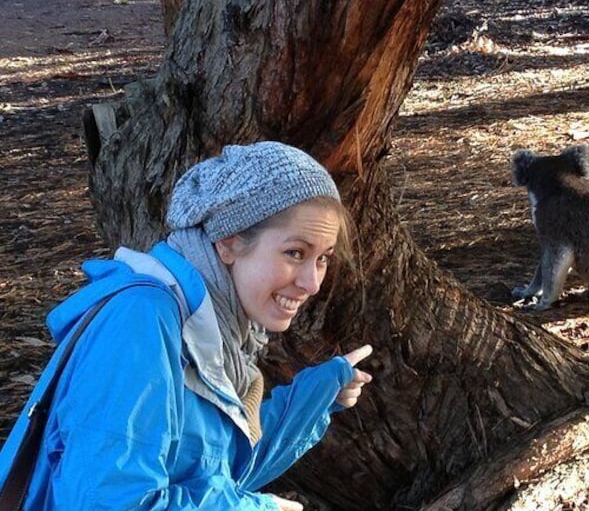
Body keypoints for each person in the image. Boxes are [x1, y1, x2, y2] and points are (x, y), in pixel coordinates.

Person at [0, 141, 372, 510]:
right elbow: (109, 502)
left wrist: (316, 398)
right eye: (295, 253)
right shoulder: (142, 321)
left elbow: (220, 471)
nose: (312, 283)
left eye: (323, 258)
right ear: (228, 243)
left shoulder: (215, 330)